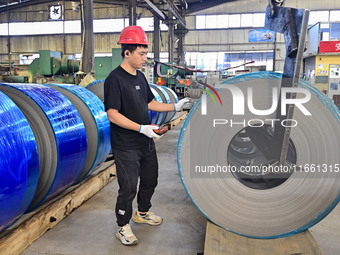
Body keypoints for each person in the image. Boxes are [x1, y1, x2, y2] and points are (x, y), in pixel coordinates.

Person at [104, 26, 189, 246]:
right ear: (127, 53)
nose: (145, 58)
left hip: (145, 141)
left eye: (145, 53)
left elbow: (149, 102)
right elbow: (112, 114)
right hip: (125, 145)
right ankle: (122, 226)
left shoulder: (140, 77)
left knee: (150, 180)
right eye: (141, 53)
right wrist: (141, 128)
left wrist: (174, 105)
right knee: (129, 185)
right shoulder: (115, 79)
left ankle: (142, 213)